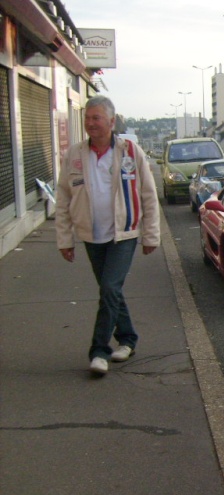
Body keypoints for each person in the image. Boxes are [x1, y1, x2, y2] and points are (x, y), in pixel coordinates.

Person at [55, 96, 160, 376]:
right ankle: (127, 339)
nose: (90, 123)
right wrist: (65, 240)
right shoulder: (75, 155)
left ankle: (99, 351)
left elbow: (148, 194)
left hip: (123, 234)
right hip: (91, 236)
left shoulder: (130, 152)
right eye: (87, 118)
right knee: (110, 290)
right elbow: (63, 199)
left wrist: (151, 235)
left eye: (96, 118)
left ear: (111, 122)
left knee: (110, 289)